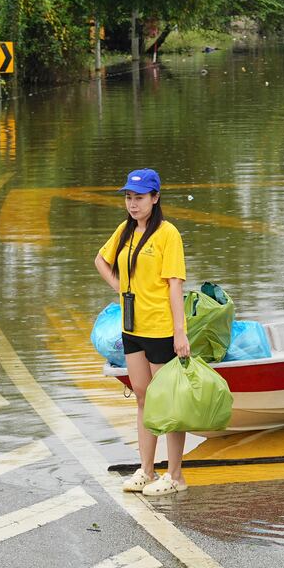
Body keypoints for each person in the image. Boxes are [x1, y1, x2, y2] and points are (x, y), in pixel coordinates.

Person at [94, 167, 191, 497]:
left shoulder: (168, 235)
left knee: (168, 404)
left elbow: (175, 285)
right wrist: (119, 287)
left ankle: (175, 475)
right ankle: (147, 471)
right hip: (132, 328)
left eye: (139, 198)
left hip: (162, 329)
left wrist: (180, 333)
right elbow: (101, 261)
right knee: (143, 398)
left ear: (155, 198)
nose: (133, 204)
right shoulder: (125, 230)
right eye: (129, 197)